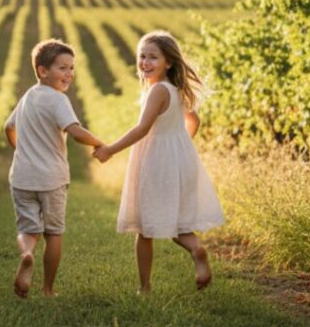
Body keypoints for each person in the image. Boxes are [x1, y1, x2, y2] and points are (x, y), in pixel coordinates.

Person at [93, 30, 225, 293]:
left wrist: (110, 149)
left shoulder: (157, 92)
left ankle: (145, 287)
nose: (145, 62)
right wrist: (179, 144)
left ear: (169, 62)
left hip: (156, 162)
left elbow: (142, 129)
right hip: (176, 158)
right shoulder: (174, 90)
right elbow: (193, 120)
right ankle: (196, 249)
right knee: (175, 219)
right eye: (142, 56)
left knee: (145, 227)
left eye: (153, 57)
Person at [5, 39, 104, 298]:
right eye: (63, 68)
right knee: (54, 233)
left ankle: (27, 254)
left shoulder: (27, 96)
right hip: (52, 179)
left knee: (27, 229)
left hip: (22, 177)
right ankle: (48, 289)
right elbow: (75, 131)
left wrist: (21, 151)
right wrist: (99, 142)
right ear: (42, 70)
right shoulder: (58, 99)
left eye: (71, 68)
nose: (69, 73)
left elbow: (9, 127)